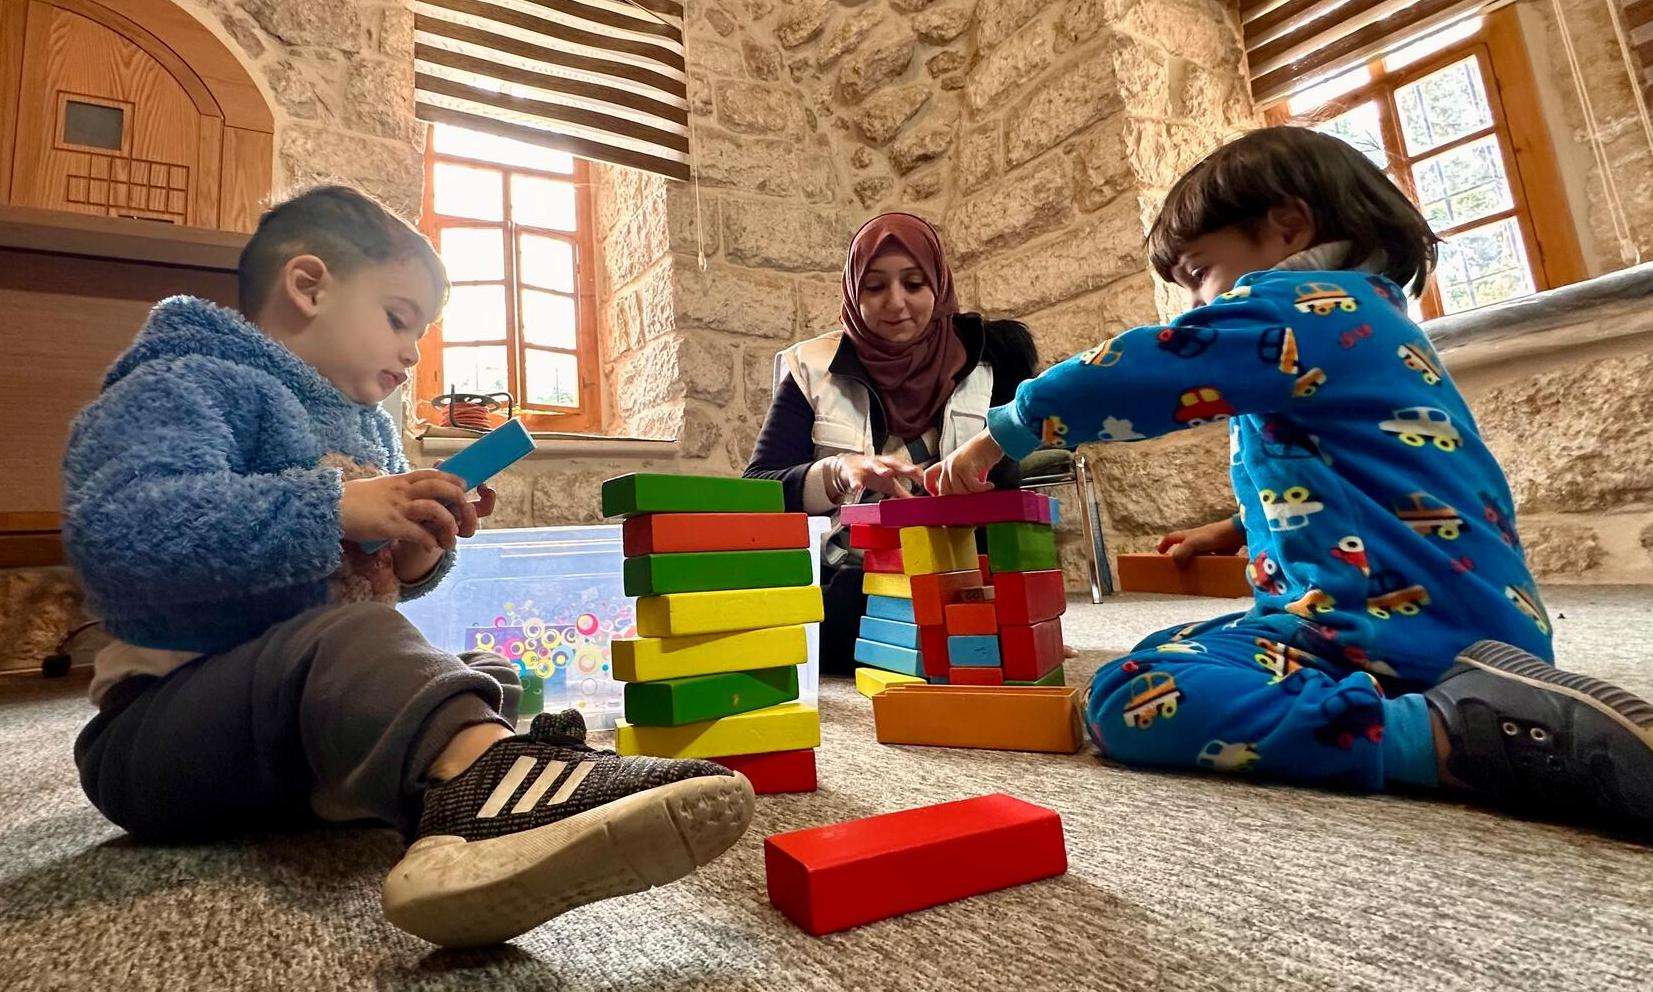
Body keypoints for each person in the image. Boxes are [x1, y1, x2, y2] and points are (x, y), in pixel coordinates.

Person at [64, 185, 754, 948]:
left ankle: (450, 813)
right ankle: (483, 787)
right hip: (158, 739)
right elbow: (120, 530)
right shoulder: (186, 380)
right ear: (309, 286)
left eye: (422, 331)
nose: (414, 350)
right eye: (398, 318)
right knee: (358, 644)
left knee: (484, 673)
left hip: (291, 743)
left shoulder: (366, 427)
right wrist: (331, 508)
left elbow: (368, 582)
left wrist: (416, 553)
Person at [926, 127, 1653, 831]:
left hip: (1388, 635)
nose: (1199, 307)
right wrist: (1237, 527)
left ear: (1286, 227)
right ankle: (1488, 699)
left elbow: (1140, 371)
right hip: (1468, 622)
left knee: (1127, 698)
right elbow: (1360, 480)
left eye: (1198, 274)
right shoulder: (1367, 323)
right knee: (1168, 646)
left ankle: (1445, 734)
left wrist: (996, 438)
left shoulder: (1297, 307)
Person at [744, 212, 1036, 674]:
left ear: (938, 286)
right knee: (811, 631)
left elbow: (1005, 503)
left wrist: (1024, 620)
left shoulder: (990, 363)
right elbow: (759, 487)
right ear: (851, 293)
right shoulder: (811, 366)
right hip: (850, 579)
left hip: (958, 581)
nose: (895, 303)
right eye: (875, 287)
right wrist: (840, 471)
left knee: (968, 639)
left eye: (914, 284)